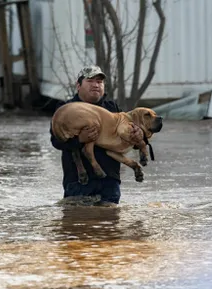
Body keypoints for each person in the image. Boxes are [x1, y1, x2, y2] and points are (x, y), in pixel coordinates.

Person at [50, 65, 143, 205]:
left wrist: (138, 137)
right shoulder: (66, 108)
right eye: (90, 81)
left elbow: (127, 141)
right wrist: (80, 139)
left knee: (109, 224)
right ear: (78, 85)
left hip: (110, 182)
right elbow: (56, 141)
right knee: (78, 225)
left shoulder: (113, 108)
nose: (96, 85)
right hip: (78, 182)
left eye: (99, 82)